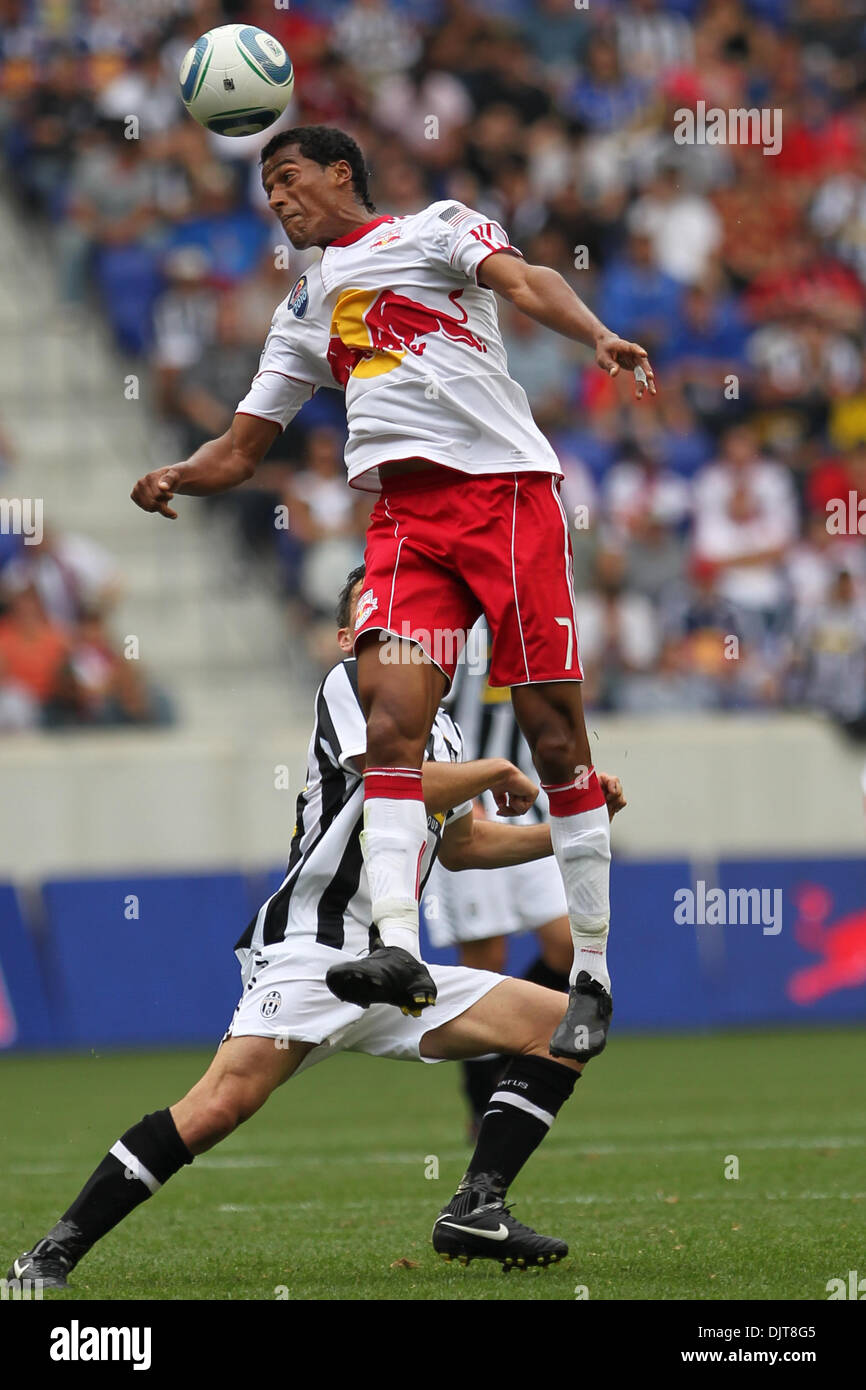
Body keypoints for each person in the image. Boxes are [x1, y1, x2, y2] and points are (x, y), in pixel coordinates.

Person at [132, 124, 655, 1061]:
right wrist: (178, 474)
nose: (278, 198)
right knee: (392, 722)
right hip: (408, 523)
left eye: (288, 178)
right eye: (266, 187)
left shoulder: (436, 229)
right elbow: (244, 448)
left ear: (342, 174)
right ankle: (399, 949)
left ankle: (592, 972)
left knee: (554, 735)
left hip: (505, 498)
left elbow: (530, 280)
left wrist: (600, 336)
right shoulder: (302, 310)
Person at [8, 571, 626, 1290]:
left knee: (562, 1025)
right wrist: (495, 769)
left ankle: (476, 1203)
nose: (403, 621)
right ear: (348, 637)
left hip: (394, 967)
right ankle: (50, 1253)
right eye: (379, 611)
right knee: (219, 1107)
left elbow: (464, 845)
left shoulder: (448, 726)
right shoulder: (348, 684)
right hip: (312, 952)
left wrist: (568, 831)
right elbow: (397, 778)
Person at [422, 616, 579, 1134]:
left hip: (526, 795)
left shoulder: (540, 613)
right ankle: (480, 1101)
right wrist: (460, 791)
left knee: (567, 945)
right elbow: (421, 704)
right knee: (485, 962)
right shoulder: (454, 619)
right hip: (468, 797)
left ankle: (514, 1041)